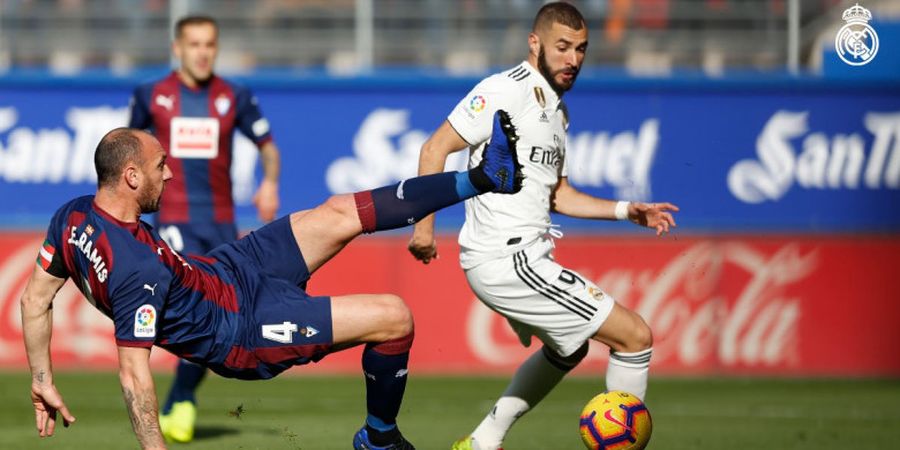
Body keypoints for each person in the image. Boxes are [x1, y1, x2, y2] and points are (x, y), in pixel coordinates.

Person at [21, 120, 521, 450]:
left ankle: (482, 176)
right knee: (395, 317)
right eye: (160, 167)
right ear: (130, 176)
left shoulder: (73, 216)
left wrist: (42, 379)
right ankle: (380, 439)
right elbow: (134, 376)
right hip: (242, 331)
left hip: (229, 269)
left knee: (338, 211)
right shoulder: (136, 273)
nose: (170, 175)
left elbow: (35, 298)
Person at [406, 3, 679, 450]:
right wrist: (423, 228)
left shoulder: (557, 111)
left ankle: (483, 442)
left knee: (568, 351)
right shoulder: (504, 89)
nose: (574, 59)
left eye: (582, 49)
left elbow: (559, 196)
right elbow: (435, 148)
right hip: (507, 257)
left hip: (525, 256)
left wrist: (626, 210)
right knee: (635, 337)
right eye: (563, 47)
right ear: (535, 44)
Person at [127, 15, 282, 443]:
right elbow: (128, 150)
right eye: (193, 44)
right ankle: (172, 400)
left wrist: (269, 183)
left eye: (209, 44)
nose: (202, 52)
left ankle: (181, 397)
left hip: (220, 221)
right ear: (177, 49)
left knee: (218, 320)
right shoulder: (151, 95)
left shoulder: (234, 96)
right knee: (186, 308)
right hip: (174, 218)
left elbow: (268, 147)